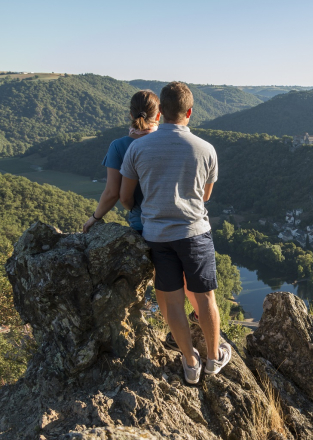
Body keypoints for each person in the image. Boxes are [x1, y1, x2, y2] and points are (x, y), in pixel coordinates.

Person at [119, 81, 231, 385]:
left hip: (157, 235)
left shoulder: (138, 148)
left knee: (172, 302)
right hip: (194, 233)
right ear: (189, 112)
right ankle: (213, 357)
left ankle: (190, 362)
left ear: (161, 112)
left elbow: (126, 196)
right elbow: (206, 196)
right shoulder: (205, 149)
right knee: (205, 298)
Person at [83, 90, 201, 352]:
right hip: (182, 221)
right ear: (159, 114)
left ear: (130, 113)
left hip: (144, 225)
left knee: (166, 286)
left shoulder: (120, 146)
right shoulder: (167, 141)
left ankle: (178, 339)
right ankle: (198, 319)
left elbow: (115, 193)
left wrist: (94, 218)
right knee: (186, 278)